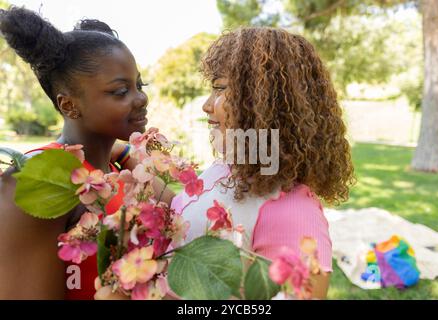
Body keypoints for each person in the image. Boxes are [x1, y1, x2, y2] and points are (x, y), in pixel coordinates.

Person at [107, 27, 355, 300]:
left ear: (263, 101)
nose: (206, 105)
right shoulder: (227, 169)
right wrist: (123, 154)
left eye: (219, 89)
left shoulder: (294, 211)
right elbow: (184, 213)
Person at [0, 6, 173, 299]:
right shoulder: (37, 180)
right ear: (68, 105)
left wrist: (125, 153)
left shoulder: (118, 172)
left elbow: (186, 207)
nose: (141, 98)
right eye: (120, 91)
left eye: (139, 85)